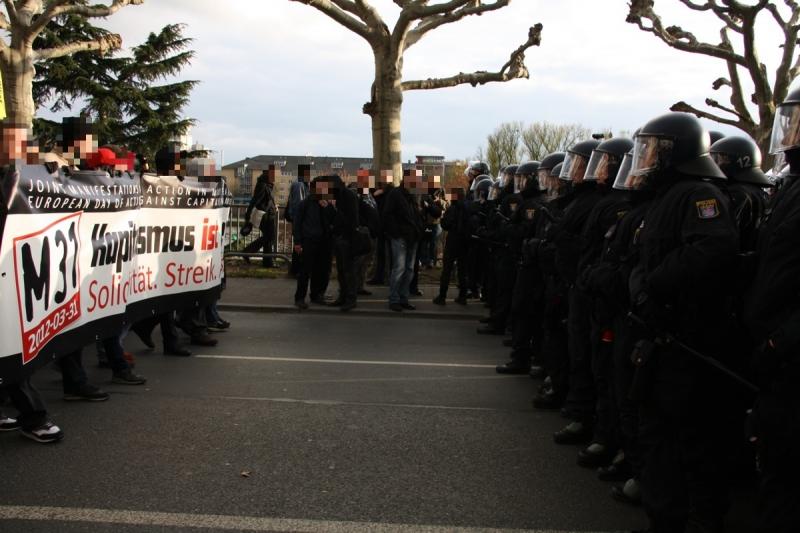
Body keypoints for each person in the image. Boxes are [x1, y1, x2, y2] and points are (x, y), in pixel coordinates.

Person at [627, 112, 739, 533]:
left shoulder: (699, 195)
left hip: (689, 343)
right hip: (659, 339)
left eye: (654, 147)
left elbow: (711, 250)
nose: (647, 156)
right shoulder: (664, 198)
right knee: (657, 438)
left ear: (676, 151)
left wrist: (653, 284)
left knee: (692, 442)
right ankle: (665, 519)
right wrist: (640, 285)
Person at [744, 86, 800, 533]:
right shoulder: (790, 188)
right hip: (776, 353)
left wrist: (782, 337)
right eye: (792, 119)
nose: (791, 132)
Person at [383, 169, 425, 312]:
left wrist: (419, 230)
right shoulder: (395, 194)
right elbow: (387, 215)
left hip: (413, 237)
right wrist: (396, 233)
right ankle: (394, 299)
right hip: (400, 237)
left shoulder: (412, 195)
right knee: (399, 269)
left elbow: (417, 215)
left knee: (409, 270)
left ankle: (403, 298)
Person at [293, 177, 333, 308]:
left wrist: (327, 208)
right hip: (309, 241)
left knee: (322, 270)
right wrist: (298, 242)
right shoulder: (305, 204)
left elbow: (333, 220)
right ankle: (300, 298)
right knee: (305, 271)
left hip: (325, 242)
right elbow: (297, 224)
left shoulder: (328, 203)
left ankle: (317, 295)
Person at [322, 175, 360, 312]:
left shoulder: (348, 196)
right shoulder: (338, 197)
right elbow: (333, 218)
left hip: (347, 238)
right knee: (342, 271)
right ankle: (343, 296)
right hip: (340, 237)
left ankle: (350, 298)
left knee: (349, 271)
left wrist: (332, 207)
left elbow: (350, 219)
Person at [433, 184, 471, 305]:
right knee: (462, 270)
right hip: (465, 242)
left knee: (447, 269)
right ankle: (463, 296)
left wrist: (444, 218)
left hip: (453, 240)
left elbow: (445, 224)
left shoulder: (452, 208)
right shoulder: (468, 207)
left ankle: (442, 296)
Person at [242, 165, 278, 268]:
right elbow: (255, 200)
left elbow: (268, 200)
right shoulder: (262, 185)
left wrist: (274, 206)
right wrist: (248, 215)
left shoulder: (267, 185)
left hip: (268, 214)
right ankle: (247, 251)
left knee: (268, 239)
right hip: (264, 216)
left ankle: (267, 263)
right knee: (269, 237)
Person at [286, 164, 311, 276]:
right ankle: (296, 271)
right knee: (299, 244)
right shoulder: (299, 185)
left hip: (300, 219)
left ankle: (296, 270)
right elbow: (298, 205)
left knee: (300, 245)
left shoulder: (302, 185)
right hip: (299, 219)